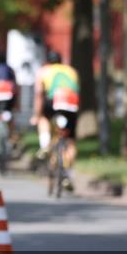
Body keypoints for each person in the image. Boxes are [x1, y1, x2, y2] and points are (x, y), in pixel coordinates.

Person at [30, 50, 80, 190]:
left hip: (54, 101)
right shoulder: (72, 71)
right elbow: (76, 90)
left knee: (43, 119)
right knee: (70, 141)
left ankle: (45, 145)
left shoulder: (44, 71)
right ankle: (68, 174)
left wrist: (36, 115)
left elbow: (39, 94)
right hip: (71, 103)